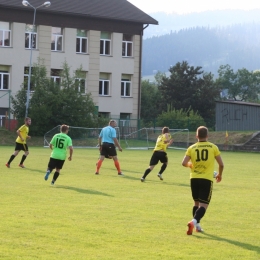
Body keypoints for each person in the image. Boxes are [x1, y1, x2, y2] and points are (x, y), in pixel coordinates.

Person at [182, 126, 224, 235]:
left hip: (194, 178)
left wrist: (190, 164)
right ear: (207, 136)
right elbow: (221, 164)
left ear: (196, 136)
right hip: (206, 179)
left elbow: (183, 163)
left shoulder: (191, 148)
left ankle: (197, 226)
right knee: (204, 205)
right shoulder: (213, 147)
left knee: (196, 203)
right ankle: (193, 222)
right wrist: (220, 175)